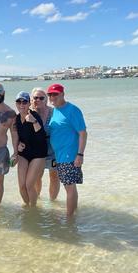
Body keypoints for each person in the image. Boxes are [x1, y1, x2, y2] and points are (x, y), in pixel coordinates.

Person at [47, 83, 87, 218]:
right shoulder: (55, 110)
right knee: (68, 186)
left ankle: (69, 219)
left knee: (69, 187)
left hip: (69, 155)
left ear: (62, 94)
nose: (52, 97)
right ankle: (73, 213)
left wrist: (80, 154)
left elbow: (83, 133)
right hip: (59, 155)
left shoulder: (72, 110)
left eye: (55, 94)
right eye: (50, 95)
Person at [14, 91, 47, 207]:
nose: (21, 104)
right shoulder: (16, 119)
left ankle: (33, 210)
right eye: (19, 102)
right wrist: (17, 147)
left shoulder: (34, 116)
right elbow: (16, 136)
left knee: (29, 185)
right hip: (24, 154)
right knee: (22, 187)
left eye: (24, 102)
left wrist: (33, 121)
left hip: (38, 154)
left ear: (29, 104)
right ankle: (28, 208)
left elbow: (42, 137)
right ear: (16, 104)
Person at [30, 87, 60, 201]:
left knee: (54, 176)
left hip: (53, 149)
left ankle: (53, 202)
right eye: (35, 98)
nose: (38, 100)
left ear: (46, 100)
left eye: (41, 98)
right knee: (37, 177)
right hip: (37, 151)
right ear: (31, 100)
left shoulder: (54, 112)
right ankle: (37, 201)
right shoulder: (29, 113)